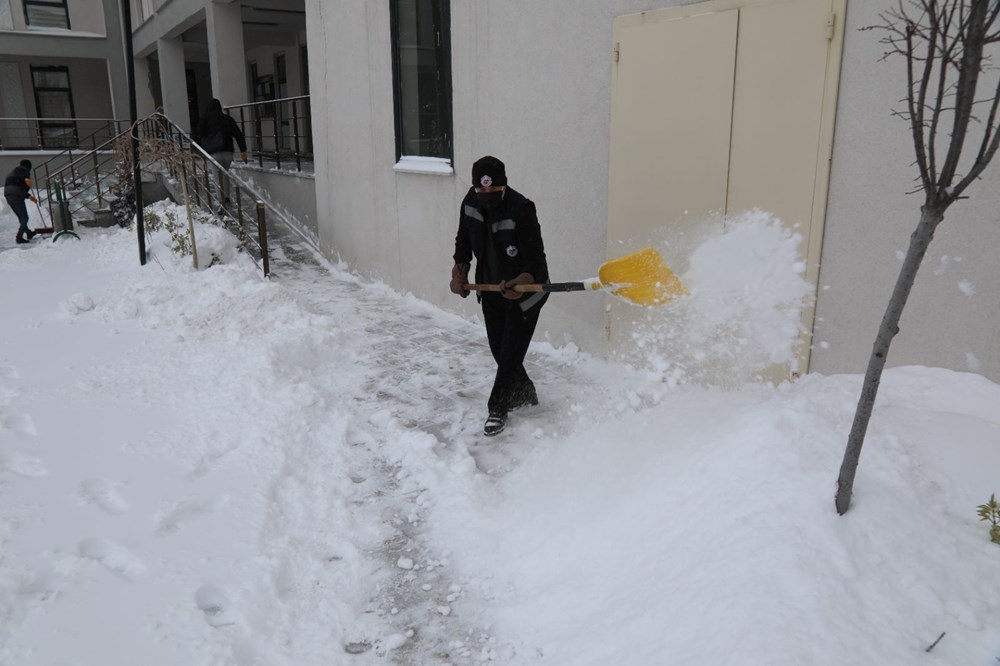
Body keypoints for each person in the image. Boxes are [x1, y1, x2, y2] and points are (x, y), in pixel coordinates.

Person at [450, 156, 550, 436]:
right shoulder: (470, 204)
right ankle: (524, 391)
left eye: (493, 192)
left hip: (525, 295)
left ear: (504, 187)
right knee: (499, 349)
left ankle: (498, 407)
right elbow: (463, 242)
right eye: (482, 192)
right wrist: (459, 272)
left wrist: (522, 280)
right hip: (490, 289)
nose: (487, 197)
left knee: (508, 354)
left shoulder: (521, 209)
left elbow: (536, 260)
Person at [193, 99, 248, 210]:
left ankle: (221, 200)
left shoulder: (205, 119)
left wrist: (199, 149)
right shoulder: (227, 119)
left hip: (214, 154)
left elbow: (199, 134)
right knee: (225, 175)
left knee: (217, 177)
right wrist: (243, 151)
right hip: (228, 152)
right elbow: (238, 134)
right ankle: (227, 198)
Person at [4, 159, 37, 245]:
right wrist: (26, 179)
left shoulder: (14, 172)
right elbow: (23, 181)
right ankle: (19, 237)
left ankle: (28, 232)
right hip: (16, 195)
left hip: (8, 195)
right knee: (24, 218)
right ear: (28, 167)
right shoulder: (21, 170)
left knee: (21, 216)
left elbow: (19, 185)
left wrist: (29, 196)